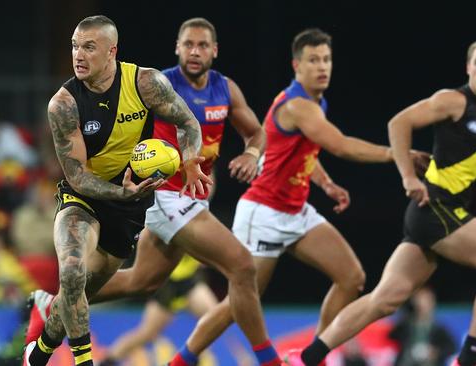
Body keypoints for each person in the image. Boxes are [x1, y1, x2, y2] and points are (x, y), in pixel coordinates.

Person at [25, 17, 284, 366]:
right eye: (74, 45)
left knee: (135, 283)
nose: (78, 54)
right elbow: (78, 177)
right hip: (120, 196)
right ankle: (267, 360)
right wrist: (127, 192)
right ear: (177, 47)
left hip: (139, 202)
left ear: (111, 51)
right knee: (241, 267)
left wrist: (196, 160)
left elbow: (199, 125)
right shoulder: (66, 104)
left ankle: (45, 326)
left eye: (88, 46)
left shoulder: (183, 85)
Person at [169, 28, 430, 366]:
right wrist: (398, 153)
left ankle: (311, 357)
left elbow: (303, 149)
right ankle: (180, 362)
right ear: (297, 66)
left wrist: (326, 183)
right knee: (239, 304)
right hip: (262, 213)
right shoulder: (297, 105)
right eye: (313, 61)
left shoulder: (316, 103)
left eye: (326, 60)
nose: (322, 67)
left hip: (295, 210)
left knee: (352, 277)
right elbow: (341, 145)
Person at [303, 38, 476, 366]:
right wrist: (408, 177)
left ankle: (307, 357)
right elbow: (398, 123)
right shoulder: (452, 101)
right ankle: (469, 358)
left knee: (384, 300)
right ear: (468, 67)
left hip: (434, 214)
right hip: (436, 206)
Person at [98, 255, 217, 365]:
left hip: (189, 280)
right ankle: (107, 361)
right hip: (167, 282)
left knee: (214, 317)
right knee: (147, 333)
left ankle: (192, 357)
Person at [389, 287, 456, 366]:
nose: (423, 303)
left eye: (427, 300)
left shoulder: (439, 328)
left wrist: (436, 352)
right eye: (420, 299)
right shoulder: (405, 324)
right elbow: (391, 338)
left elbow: (451, 347)